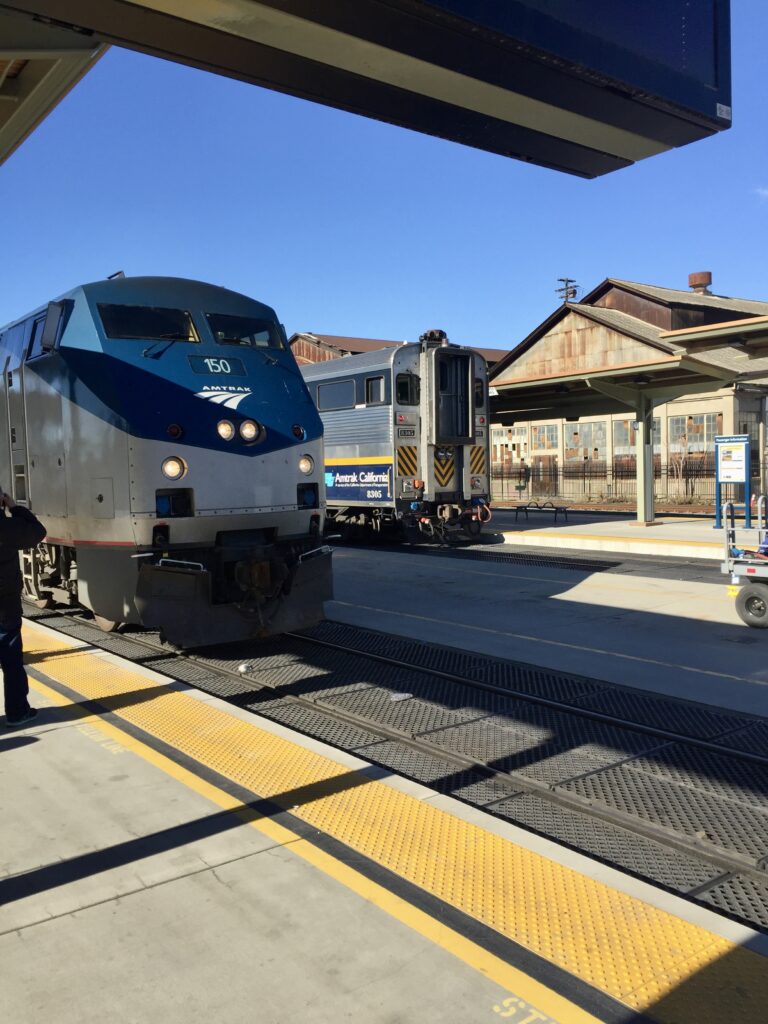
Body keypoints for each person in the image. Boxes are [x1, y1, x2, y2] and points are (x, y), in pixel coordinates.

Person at [0, 489, 46, 726]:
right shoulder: (7, 527)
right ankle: (17, 712)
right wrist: (15, 508)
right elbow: (38, 532)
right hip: (5, 608)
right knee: (11, 662)